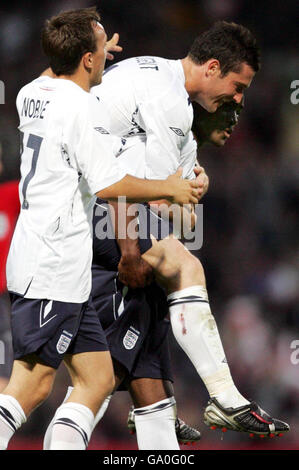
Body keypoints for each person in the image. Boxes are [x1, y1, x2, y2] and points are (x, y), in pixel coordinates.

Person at [0, 8, 200, 451]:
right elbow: (112, 185)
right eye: (100, 46)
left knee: (97, 379)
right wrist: (169, 186)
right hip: (50, 266)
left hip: (61, 269)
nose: (108, 53)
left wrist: (88, 53)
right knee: (30, 387)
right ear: (87, 60)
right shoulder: (81, 110)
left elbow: (56, 69)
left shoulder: (31, 93)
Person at [88, 21, 289, 441]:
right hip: (88, 207)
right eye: (237, 88)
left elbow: (181, 214)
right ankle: (225, 395)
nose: (236, 100)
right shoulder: (168, 101)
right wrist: (179, 196)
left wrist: (188, 194)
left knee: (140, 375)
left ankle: (155, 412)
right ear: (212, 67)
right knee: (184, 267)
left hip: (104, 206)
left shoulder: (164, 88)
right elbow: (153, 197)